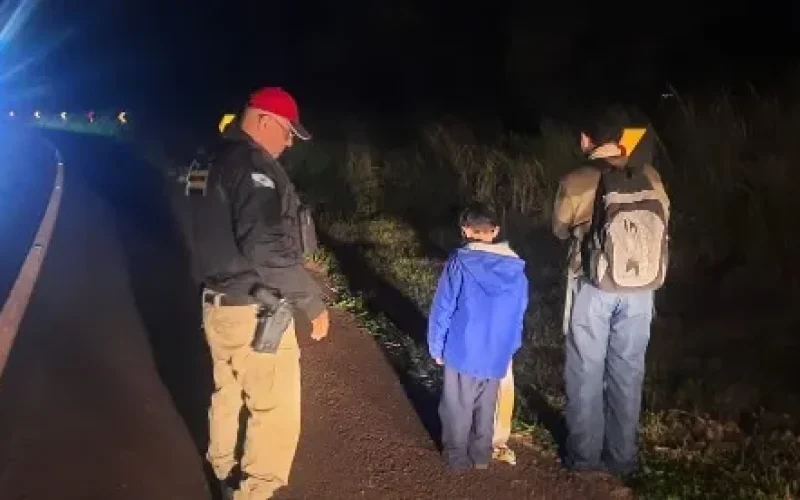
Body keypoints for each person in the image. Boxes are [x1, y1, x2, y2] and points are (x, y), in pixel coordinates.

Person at [192, 86, 330, 499]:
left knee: (228, 392)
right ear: (264, 120)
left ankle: (222, 471)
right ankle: (254, 492)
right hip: (253, 309)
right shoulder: (253, 166)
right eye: (287, 132)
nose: (289, 143)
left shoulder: (210, 158)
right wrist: (312, 300)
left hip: (217, 305)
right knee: (275, 413)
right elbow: (264, 245)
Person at [552, 106, 670, 478]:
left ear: (590, 140)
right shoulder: (651, 175)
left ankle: (584, 459)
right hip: (642, 289)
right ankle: (622, 459)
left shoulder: (577, 179)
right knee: (629, 369)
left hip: (592, 285)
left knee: (586, 369)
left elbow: (558, 229)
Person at [427, 203, 529, 471]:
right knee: (487, 405)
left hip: (463, 349)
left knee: (457, 406)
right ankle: (481, 455)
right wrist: (511, 347)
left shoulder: (460, 262)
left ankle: (456, 458)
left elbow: (444, 306)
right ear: (494, 231)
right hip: (497, 351)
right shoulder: (516, 268)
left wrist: (436, 346)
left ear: (465, 230)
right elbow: (520, 312)